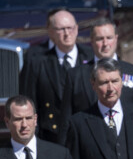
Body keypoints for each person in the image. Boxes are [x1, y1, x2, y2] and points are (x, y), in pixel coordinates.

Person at [60, 18, 133, 140]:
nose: (105, 43)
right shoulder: (75, 76)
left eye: (109, 38)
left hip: (128, 143)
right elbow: (66, 121)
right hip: (89, 146)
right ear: (91, 41)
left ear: (116, 38)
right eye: (99, 39)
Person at [20, 9, 93, 142]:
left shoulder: (91, 57)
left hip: (87, 135)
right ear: (51, 32)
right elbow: (28, 102)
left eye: (70, 28)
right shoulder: (37, 62)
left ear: (77, 29)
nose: (67, 34)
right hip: (51, 137)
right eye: (61, 29)